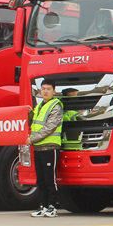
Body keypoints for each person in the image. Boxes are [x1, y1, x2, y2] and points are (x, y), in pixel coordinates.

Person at [29, 81, 64, 217]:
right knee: (41, 180)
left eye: (48, 89)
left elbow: (50, 127)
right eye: (43, 89)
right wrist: (29, 113)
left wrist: (31, 140)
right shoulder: (39, 106)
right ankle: (42, 206)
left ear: (54, 91)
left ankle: (53, 206)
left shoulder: (56, 106)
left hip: (50, 147)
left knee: (50, 179)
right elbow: (35, 123)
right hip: (38, 148)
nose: (45, 91)